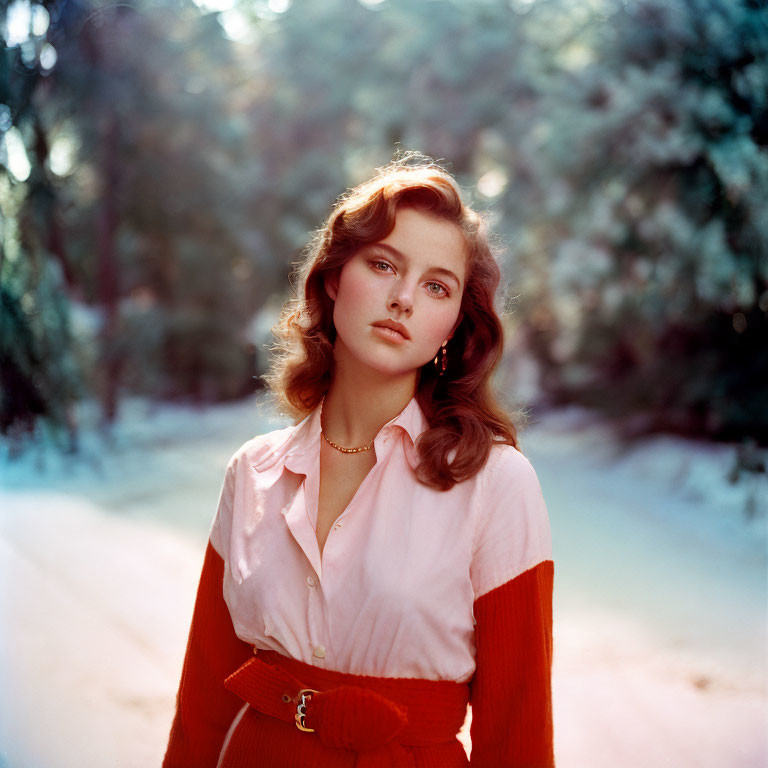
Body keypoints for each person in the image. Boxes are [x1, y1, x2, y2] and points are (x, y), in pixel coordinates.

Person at [162, 153, 555, 768]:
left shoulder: (498, 485)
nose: (402, 299)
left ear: (453, 323)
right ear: (332, 279)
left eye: (436, 286)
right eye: (382, 264)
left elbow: (518, 735)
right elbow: (202, 703)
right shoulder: (253, 471)